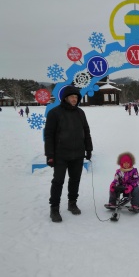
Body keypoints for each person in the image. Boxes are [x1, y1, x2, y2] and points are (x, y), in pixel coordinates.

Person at [44, 85, 93, 223]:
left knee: (75, 180)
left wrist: (88, 149)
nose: (74, 99)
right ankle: (54, 208)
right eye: (72, 96)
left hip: (77, 153)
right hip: (60, 154)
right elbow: (49, 135)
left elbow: (86, 131)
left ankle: (72, 203)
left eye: (76, 97)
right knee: (58, 181)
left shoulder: (80, 113)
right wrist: (50, 155)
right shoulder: (54, 113)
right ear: (65, 98)